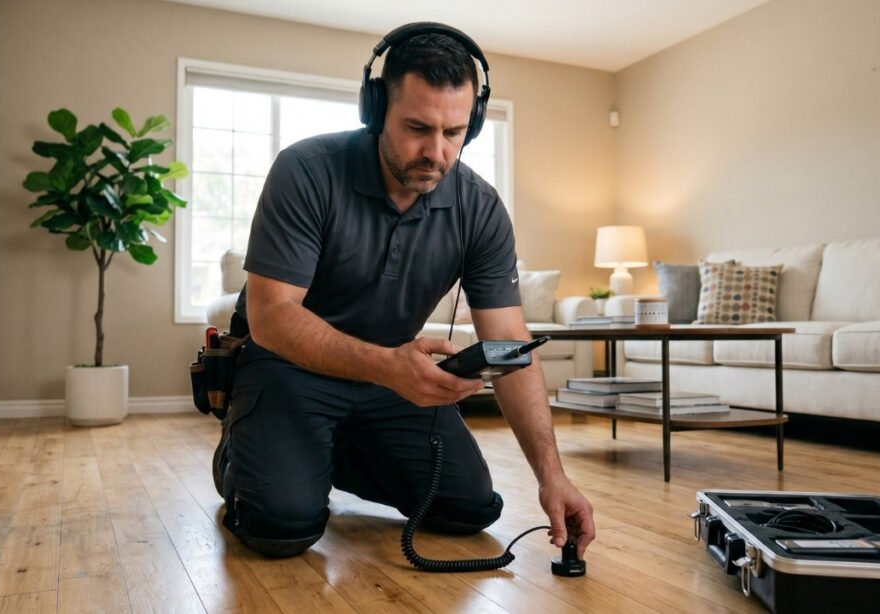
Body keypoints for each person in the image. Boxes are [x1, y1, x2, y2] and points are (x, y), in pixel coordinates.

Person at [215, 22, 595, 560]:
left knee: (469, 510)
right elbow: (272, 316)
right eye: (417, 127)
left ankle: (322, 452)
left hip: (390, 374)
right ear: (375, 111)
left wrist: (552, 477)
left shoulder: (480, 208)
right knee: (281, 527)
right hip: (288, 365)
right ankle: (244, 452)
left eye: (454, 133)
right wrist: (386, 367)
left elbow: (509, 338)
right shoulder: (306, 170)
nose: (436, 152)